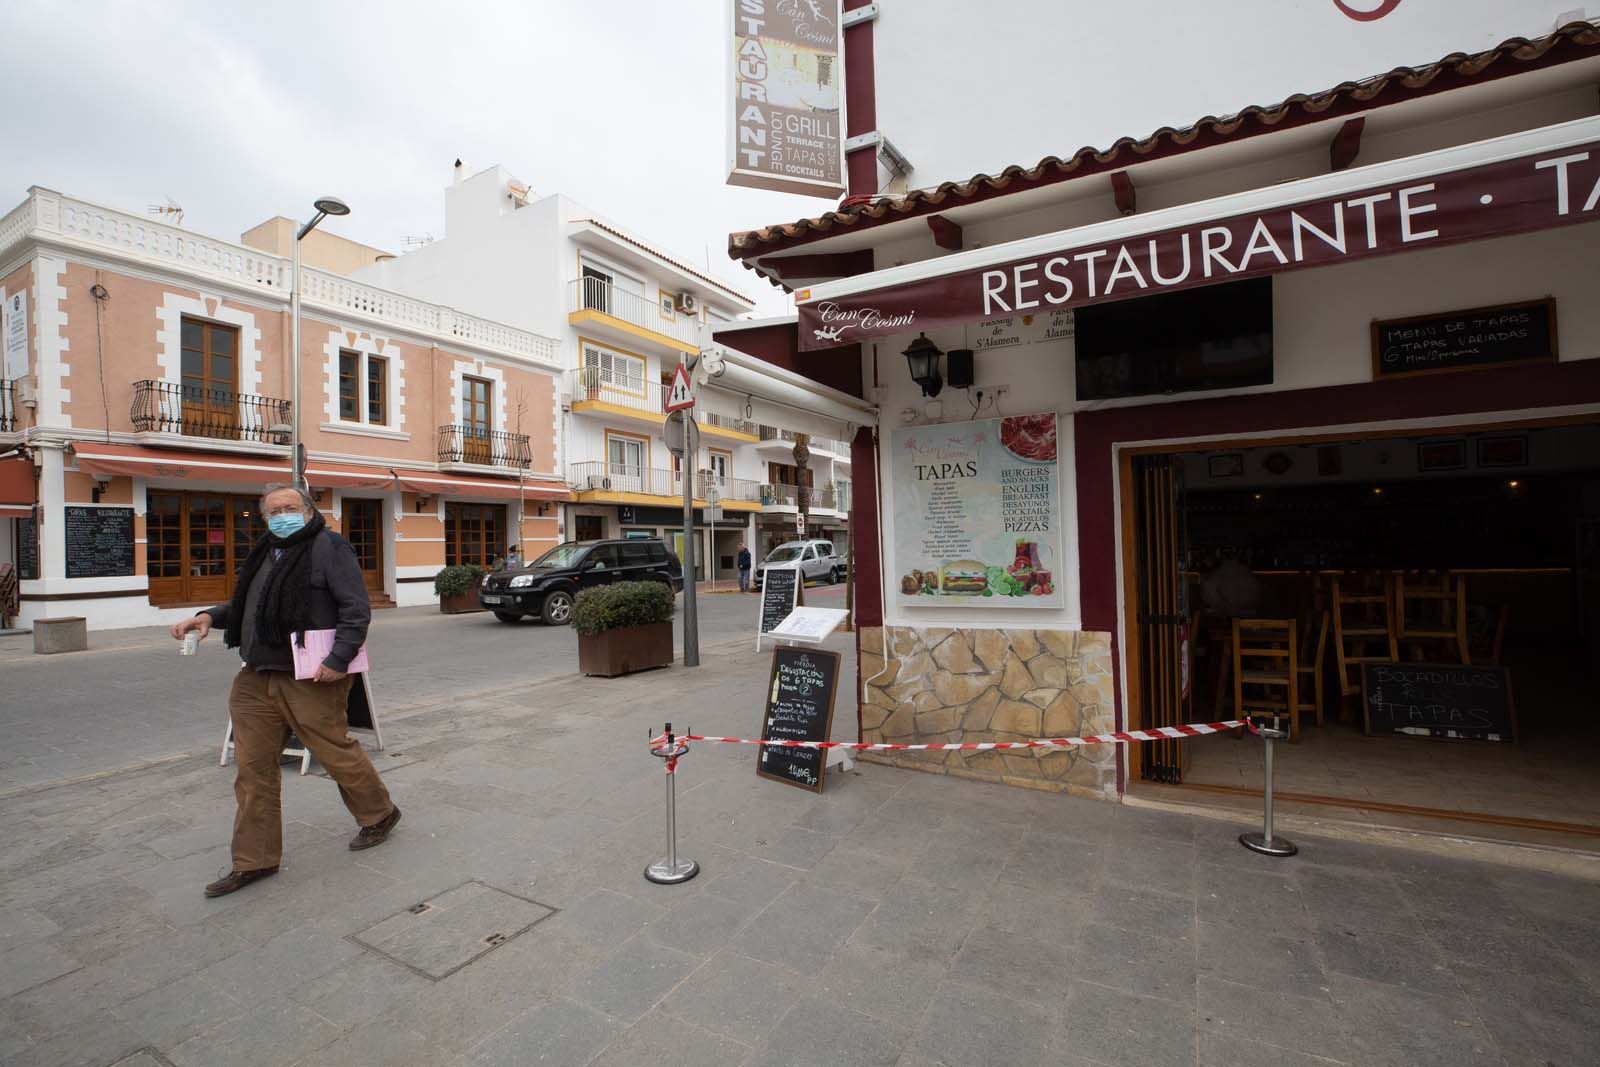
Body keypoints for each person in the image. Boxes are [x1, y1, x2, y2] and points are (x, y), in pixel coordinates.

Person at [171, 484, 401, 899]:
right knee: (253, 770)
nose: (281, 515)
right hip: (256, 676)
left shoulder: (329, 547)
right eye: (273, 510)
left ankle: (380, 813)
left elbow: (355, 608)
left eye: (290, 507)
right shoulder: (263, 554)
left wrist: (338, 660)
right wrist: (207, 617)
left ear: (309, 510)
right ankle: (255, 860)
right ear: (264, 518)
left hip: (311, 675)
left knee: (334, 752)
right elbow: (246, 607)